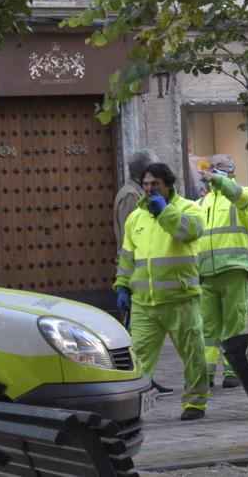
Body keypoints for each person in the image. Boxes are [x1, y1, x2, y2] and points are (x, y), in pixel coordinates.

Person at [115, 163, 211, 420]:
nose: (149, 189)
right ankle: (132, 406)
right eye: (145, 184)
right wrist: (122, 286)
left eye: (154, 184)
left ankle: (195, 402)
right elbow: (127, 257)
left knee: (193, 353)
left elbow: (190, 233)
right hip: (144, 303)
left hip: (181, 300)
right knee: (137, 358)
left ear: (168, 185)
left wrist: (166, 213)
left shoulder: (189, 208)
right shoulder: (136, 216)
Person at [112, 149, 175, 397]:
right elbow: (134, 238)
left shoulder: (136, 192)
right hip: (136, 273)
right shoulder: (130, 196)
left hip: (140, 273)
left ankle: (144, 378)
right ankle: (135, 380)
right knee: (137, 335)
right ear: (143, 173)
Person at [196, 154, 248, 389]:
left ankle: (233, 372)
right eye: (212, 168)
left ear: (230, 171)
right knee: (208, 329)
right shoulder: (201, 203)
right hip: (208, 273)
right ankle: (207, 373)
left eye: (218, 168)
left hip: (233, 268)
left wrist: (219, 181)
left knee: (234, 324)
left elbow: (237, 194)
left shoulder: (245, 194)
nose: (212, 172)